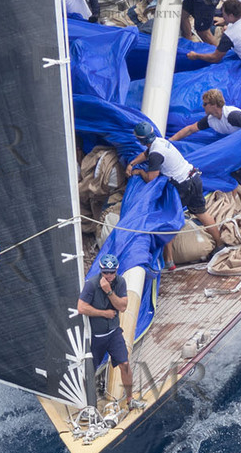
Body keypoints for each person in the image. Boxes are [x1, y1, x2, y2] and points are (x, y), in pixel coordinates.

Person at [77, 254, 143, 408]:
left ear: (116, 271)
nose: (109, 276)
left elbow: (122, 306)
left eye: (112, 272)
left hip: (113, 333)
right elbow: (81, 307)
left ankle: (130, 399)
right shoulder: (91, 285)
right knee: (89, 371)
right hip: (95, 336)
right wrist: (103, 313)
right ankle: (87, 405)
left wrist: (109, 291)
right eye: (106, 272)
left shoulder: (120, 282)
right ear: (101, 271)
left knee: (125, 364)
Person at [170, 89, 241, 187]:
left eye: (205, 104)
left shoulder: (232, 115)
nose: (202, 106)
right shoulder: (211, 120)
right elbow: (190, 129)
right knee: (231, 169)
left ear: (213, 105)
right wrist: (171, 141)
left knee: (236, 176)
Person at [127, 120, 216, 230]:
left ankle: (168, 247)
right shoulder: (160, 142)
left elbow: (151, 179)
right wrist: (132, 164)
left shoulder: (156, 154)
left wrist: (140, 172)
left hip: (183, 185)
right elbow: (146, 154)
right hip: (193, 177)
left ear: (141, 140)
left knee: (169, 218)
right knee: (202, 213)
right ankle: (219, 243)